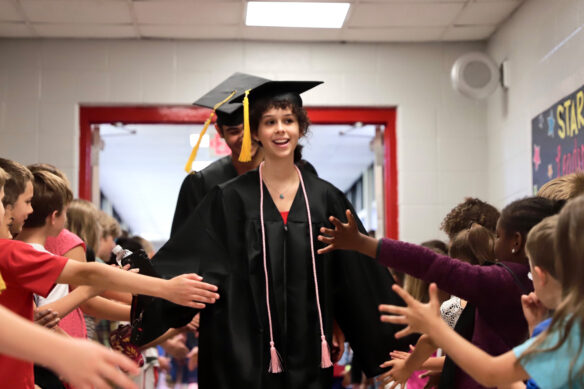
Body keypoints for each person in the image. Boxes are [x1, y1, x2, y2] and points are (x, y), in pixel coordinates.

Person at [133, 78, 410, 389]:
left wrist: (385, 339)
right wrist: (148, 295)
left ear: (301, 128)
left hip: (307, 342)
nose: (280, 129)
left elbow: (355, 272)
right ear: (257, 132)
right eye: (269, 122)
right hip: (239, 342)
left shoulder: (323, 198)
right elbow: (189, 260)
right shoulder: (225, 199)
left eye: (288, 120)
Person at [318, 196, 565, 388]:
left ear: (516, 242)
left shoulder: (500, 281)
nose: (494, 243)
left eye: (499, 236)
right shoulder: (538, 287)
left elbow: (431, 265)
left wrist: (364, 243)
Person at [171, 72, 268, 236]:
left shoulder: (295, 174)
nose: (244, 138)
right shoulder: (201, 184)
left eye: (250, 128)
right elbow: (184, 244)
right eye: (234, 131)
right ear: (219, 131)